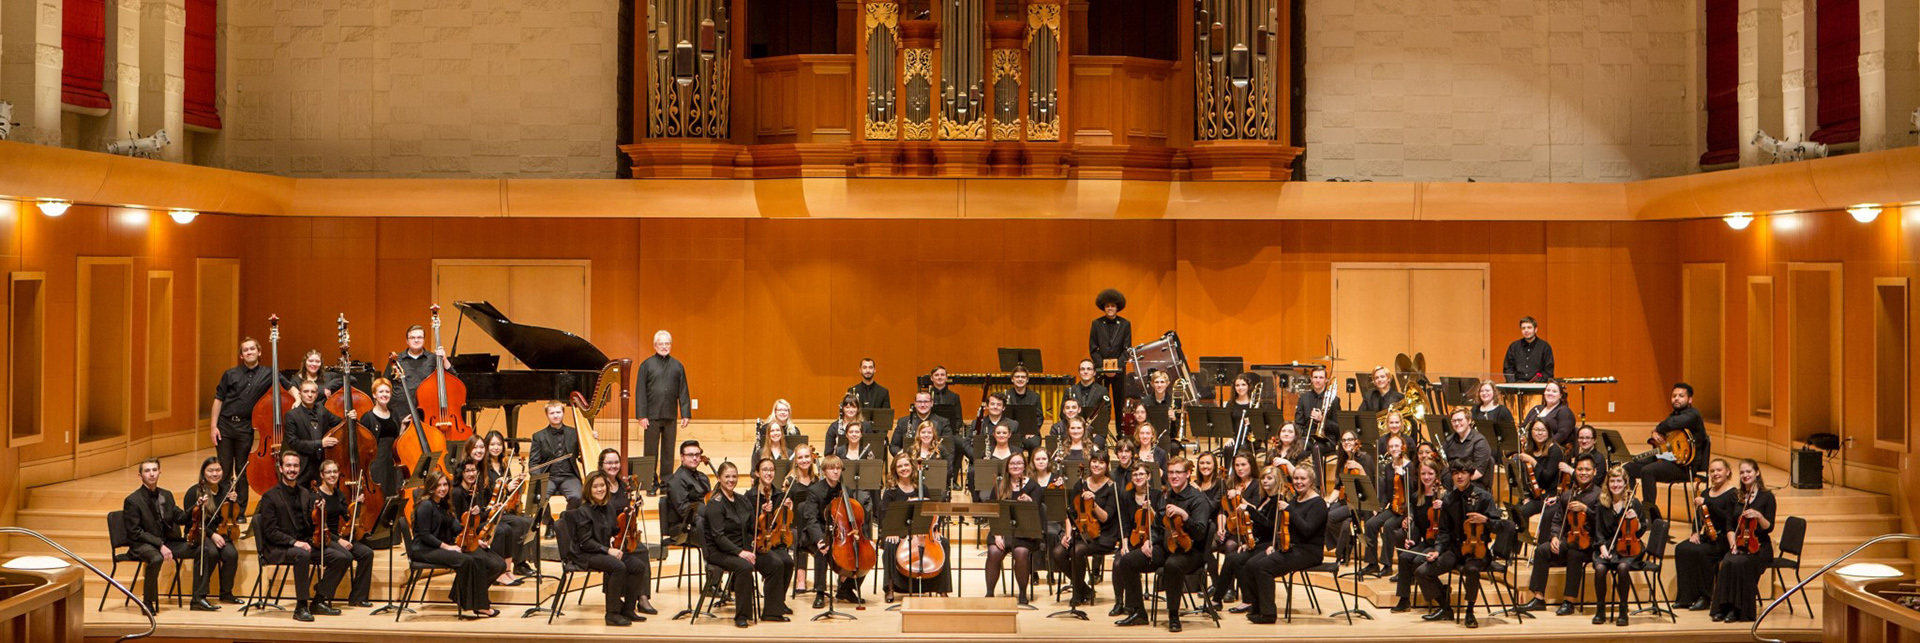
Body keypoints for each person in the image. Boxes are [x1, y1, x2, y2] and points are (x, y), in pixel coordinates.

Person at [1117, 457, 1210, 632]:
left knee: (1172, 564)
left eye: (1178, 472)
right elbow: (1158, 526)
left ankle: (1173, 615)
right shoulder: (1165, 496)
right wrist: (1150, 541)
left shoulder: (1198, 499)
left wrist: (1185, 516)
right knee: (1127, 561)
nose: (1174, 476)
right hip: (1166, 547)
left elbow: (1200, 533)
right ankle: (1139, 612)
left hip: (1190, 552)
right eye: (1171, 472)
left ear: (1188, 474)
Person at [258, 451, 349, 621]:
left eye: (295, 466)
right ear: (280, 468)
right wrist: (294, 542)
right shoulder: (270, 496)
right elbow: (270, 532)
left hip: (305, 543)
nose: (292, 469)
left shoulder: (305, 493)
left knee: (341, 557)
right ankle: (300, 607)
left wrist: (319, 510)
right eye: (288, 466)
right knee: (302, 555)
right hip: (280, 547)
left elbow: (311, 522)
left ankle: (319, 600)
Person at [1412, 459, 1501, 628]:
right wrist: (1438, 550)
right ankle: (1445, 608)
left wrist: (1486, 520)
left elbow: (1501, 526)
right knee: (1422, 572)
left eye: (1463, 473)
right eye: (1455, 473)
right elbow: (1444, 531)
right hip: (1455, 549)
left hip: (1478, 551)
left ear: (1471, 475)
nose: (1459, 477)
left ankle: (1469, 612)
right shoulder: (1449, 499)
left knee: (1472, 569)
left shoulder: (1484, 497)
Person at [702, 461, 790, 628]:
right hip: (721, 552)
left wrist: (763, 514)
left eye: (734, 476)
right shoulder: (715, 504)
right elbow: (718, 537)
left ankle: (772, 612)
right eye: (727, 476)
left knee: (776, 563)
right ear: (719, 478)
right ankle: (742, 615)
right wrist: (740, 552)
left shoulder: (741, 500)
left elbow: (751, 525)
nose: (731, 480)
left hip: (744, 547)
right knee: (744, 567)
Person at [1240, 462, 1327, 625]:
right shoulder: (1296, 500)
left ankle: (1268, 614)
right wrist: (1275, 545)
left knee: (1263, 567)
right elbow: (1285, 529)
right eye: (1296, 478)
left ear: (1311, 480)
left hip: (1309, 551)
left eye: (1303, 479)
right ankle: (1257, 608)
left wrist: (1289, 510)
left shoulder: (1318, 503)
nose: (1298, 482)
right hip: (1290, 547)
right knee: (1250, 564)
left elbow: (1307, 530)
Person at [409, 468, 502, 618]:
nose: (443, 488)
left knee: (492, 561)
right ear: (431, 487)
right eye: (438, 485)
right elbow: (424, 535)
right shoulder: (426, 505)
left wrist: (475, 533)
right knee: (468, 560)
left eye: (445, 485)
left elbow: (458, 528)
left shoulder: (444, 505)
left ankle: (465, 598)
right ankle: (479, 605)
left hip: (439, 547)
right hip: (424, 549)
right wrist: (449, 548)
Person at [1518, 453, 1600, 615]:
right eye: (1580, 469)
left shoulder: (1600, 495)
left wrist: (1586, 510)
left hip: (1591, 544)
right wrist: (1555, 536)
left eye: (1587, 469)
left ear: (1594, 472)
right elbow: (1557, 520)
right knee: (1542, 550)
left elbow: (1604, 523)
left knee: (1574, 554)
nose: (1584, 473)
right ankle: (1538, 598)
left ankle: (1569, 601)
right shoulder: (1568, 494)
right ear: (1575, 471)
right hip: (1569, 539)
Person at [568, 470, 652, 625]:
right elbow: (585, 542)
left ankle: (627, 609)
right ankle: (612, 614)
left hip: (603, 550)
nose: (600, 489)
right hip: (585, 554)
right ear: (589, 490)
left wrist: (627, 521)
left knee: (638, 566)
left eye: (602, 485)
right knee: (618, 567)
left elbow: (614, 531)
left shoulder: (609, 508)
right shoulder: (584, 511)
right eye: (595, 487)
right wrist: (608, 550)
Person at [1624, 383, 1710, 517]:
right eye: (1674, 396)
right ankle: (1629, 507)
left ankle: (1649, 515)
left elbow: (1671, 424)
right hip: (1668, 459)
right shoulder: (1674, 415)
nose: (1676, 398)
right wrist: (1656, 432)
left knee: (1648, 471)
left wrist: (1657, 429)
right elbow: (1667, 426)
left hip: (1685, 467)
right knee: (1628, 468)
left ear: (1690, 399)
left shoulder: (1693, 415)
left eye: (1681, 396)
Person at [210, 337, 275, 508]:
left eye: (252, 349)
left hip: (245, 427)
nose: (249, 352)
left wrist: (298, 398)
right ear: (241, 355)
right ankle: (223, 507)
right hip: (225, 425)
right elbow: (218, 400)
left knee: (242, 469)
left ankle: (240, 509)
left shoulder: (268, 373)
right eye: (245, 350)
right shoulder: (230, 374)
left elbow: (287, 385)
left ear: (259, 352)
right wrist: (213, 427)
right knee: (224, 469)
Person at [122, 458, 193, 613]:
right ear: (140, 475)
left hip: (165, 542)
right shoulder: (132, 500)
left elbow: (180, 518)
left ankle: (199, 598)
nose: (151, 474)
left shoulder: (166, 495)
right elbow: (135, 532)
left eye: (154, 470)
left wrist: (197, 507)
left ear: (160, 472)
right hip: (142, 544)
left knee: (203, 549)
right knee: (155, 558)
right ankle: (147, 602)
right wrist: (160, 545)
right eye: (147, 471)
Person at [879, 453, 952, 601]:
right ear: (895, 469)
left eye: (906, 465)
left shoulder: (922, 488)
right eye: (899, 466)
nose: (903, 468)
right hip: (898, 532)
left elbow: (931, 512)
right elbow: (883, 516)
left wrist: (935, 530)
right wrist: (890, 532)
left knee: (943, 542)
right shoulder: (890, 491)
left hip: (921, 532)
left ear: (912, 467)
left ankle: (941, 588)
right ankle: (890, 587)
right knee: (890, 544)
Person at [1710, 459, 1776, 623]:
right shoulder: (1736, 496)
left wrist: (1759, 516)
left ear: (1757, 473)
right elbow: (1730, 525)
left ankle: (1737, 609)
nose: (1745, 475)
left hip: (1759, 546)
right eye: (1742, 472)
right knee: (1728, 561)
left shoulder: (1767, 497)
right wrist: (1732, 544)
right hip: (1739, 543)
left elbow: (1769, 528)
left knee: (1741, 563)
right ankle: (1723, 607)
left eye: (1749, 472)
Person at [1674, 458, 1737, 611]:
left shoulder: (1733, 494)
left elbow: (1728, 519)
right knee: (1682, 548)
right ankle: (1686, 597)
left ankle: (1705, 597)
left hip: (1723, 539)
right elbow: (1699, 517)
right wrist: (1695, 532)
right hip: (1708, 535)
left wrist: (1708, 503)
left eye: (1719, 470)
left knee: (1702, 552)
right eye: (1712, 471)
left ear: (1727, 471)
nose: (1715, 474)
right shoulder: (1706, 492)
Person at [312, 460, 376, 607]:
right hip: (324, 537)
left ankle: (358, 597)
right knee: (346, 556)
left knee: (367, 553)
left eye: (335, 472)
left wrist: (356, 506)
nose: (332, 475)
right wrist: (339, 540)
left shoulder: (338, 494)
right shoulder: (316, 496)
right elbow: (319, 525)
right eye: (328, 472)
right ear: (322, 475)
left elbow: (348, 517)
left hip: (338, 536)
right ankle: (322, 591)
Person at [1590, 464, 1648, 626]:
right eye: (1612, 481)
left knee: (1623, 567)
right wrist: (1602, 547)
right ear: (1607, 484)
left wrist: (1635, 518)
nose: (1615, 485)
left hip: (1630, 547)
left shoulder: (1633, 503)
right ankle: (1600, 609)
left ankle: (1623, 610)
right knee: (1600, 568)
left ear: (1625, 483)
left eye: (1619, 481)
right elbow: (1599, 531)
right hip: (1607, 546)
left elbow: (1641, 530)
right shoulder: (1602, 503)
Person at [182, 457, 242, 610]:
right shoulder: (194, 492)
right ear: (203, 472)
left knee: (231, 554)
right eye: (210, 470)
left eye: (218, 470)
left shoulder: (225, 490)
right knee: (211, 552)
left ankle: (226, 593)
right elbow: (192, 521)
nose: (215, 473)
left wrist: (234, 502)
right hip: (198, 532)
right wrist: (212, 535)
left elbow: (228, 515)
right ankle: (198, 597)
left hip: (218, 531)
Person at [741, 459, 797, 621]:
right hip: (757, 543)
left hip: (774, 540)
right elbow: (747, 525)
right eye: (765, 469)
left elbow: (781, 523)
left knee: (788, 562)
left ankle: (778, 601)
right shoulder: (749, 496)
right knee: (777, 563)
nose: (769, 473)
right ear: (757, 473)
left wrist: (787, 510)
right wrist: (760, 512)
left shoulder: (779, 494)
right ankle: (773, 609)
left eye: (771, 470)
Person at [1211, 460, 1271, 610]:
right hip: (1234, 528)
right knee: (1215, 546)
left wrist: (1241, 498)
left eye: (1244, 464)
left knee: (1232, 549)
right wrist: (1221, 527)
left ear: (1251, 466)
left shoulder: (1258, 486)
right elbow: (1223, 509)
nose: (1239, 468)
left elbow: (1257, 513)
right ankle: (1218, 596)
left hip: (1251, 531)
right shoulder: (1230, 483)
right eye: (1236, 465)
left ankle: (1228, 594)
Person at [811, 455, 868, 605]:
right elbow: (811, 519)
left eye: (838, 468)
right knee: (822, 551)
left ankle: (845, 589)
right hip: (820, 531)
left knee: (863, 552)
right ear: (824, 471)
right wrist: (819, 539)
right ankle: (820, 592)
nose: (836, 472)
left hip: (841, 533)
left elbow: (853, 515)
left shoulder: (845, 490)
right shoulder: (815, 491)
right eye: (831, 468)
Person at [637, 330, 692, 483]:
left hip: (670, 415)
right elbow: (640, 391)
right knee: (650, 451)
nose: (664, 346)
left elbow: (683, 390)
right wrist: (642, 415)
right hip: (651, 416)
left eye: (667, 343)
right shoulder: (646, 365)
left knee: (668, 450)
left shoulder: (678, 366)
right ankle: (649, 482)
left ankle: (667, 482)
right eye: (661, 343)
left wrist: (685, 414)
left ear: (671, 345)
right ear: (655, 345)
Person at [984, 451, 1039, 605]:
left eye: (1019, 463)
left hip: (1025, 533)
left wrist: (1029, 502)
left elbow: (1037, 512)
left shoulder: (1033, 486)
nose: (1016, 466)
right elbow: (992, 512)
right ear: (1007, 467)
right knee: (994, 551)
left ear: (1025, 466)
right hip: (1001, 531)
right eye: (1012, 463)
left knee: (1021, 553)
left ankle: (1022, 594)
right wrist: (997, 533)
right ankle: (989, 593)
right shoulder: (999, 485)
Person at [1062, 454, 1118, 607]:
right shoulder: (1080, 485)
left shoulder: (1112, 487)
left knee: (1078, 550)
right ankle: (1084, 588)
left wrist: (1093, 504)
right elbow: (1071, 514)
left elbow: (1106, 517)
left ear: (1107, 465)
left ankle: (1077, 593)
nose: (1097, 465)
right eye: (1094, 462)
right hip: (1081, 531)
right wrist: (1067, 534)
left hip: (1104, 535)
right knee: (1057, 552)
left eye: (1101, 462)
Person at [1390, 458, 1443, 613]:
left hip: (1440, 544)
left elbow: (1451, 524)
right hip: (1427, 542)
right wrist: (1412, 538)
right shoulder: (1416, 497)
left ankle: (1441, 595)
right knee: (1404, 556)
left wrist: (1444, 506)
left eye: (1430, 473)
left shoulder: (1444, 496)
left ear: (1437, 475)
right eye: (1423, 474)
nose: (1427, 477)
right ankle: (1404, 599)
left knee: (1417, 561)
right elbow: (1420, 526)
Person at [282, 379, 347, 489]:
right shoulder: (291, 415)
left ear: (317, 394)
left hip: (321, 464)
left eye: (313, 392)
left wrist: (350, 418)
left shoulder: (322, 410)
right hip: (302, 466)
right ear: (300, 394)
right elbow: (294, 443)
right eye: (306, 392)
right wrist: (321, 443)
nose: (309, 395)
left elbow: (341, 423)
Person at [1361, 434, 1409, 578]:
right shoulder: (1389, 467)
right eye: (1391, 446)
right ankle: (1372, 563)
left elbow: (1412, 490)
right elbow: (1387, 492)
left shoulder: (1409, 466)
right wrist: (1379, 508)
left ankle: (1387, 565)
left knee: (1388, 526)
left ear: (1403, 447)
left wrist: (1404, 476)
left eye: (1397, 446)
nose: (1394, 449)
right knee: (1370, 524)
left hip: (1405, 510)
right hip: (1393, 507)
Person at [389, 324, 454, 424]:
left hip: (427, 413)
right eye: (412, 337)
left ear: (424, 340)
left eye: (419, 337)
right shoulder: (397, 360)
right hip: (401, 412)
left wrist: (444, 359)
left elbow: (454, 379)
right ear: (407, 341)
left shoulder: (433, 358)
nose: (416, 340)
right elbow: (386, 383)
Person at [1509, 418, 1564, 533]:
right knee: (1512, 514)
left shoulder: (1554, 450)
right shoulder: (1530, 449)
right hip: (1532, 494)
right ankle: (1509, 550)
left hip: (1547, 496)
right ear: (1531, 432)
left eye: (1543, 430)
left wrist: (1533, 462)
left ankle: (1516, 545)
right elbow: (1525, 477)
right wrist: (1526, 497)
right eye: (1536, 430)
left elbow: (1547, 477)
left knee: (1520, 513)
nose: (1539, 433)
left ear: (1548, 432)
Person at [529, 401, 584, 514]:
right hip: (548, 476)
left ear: (563, 413)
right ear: (547, 415)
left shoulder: (575, 433)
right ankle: (549, 524)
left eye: (558, 412)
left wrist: (592, 438)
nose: (555, 415)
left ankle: (567, 521)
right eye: (552, 413)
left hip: (569, 476)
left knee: (577, 496)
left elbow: (581, 456)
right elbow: (533, 463)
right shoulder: (538, 436)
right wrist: (539, 480)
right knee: (539, 498)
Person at [358, 378, 407, 495]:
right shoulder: (367, 417)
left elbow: (396, 440)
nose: (384, 395)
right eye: (381, 392)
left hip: (392, 463)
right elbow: (362, 446)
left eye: (387, 392)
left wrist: (403, 427)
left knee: (393, 494)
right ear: (374, 395)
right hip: (376, 464)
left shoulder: (394, 414)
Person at [1089, 289, 1133, 403]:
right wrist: (1104, 367)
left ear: (1117, 308)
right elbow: (1093, 348)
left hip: (1119, 369)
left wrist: (1115, 367)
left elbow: (1127, 349)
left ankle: (1119, 422)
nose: (1110, 308)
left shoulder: (1125, 324)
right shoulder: (1096, 324)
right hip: (1101, 369)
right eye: (1107, 306)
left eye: (1112, 306)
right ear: (1104, 308)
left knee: (1119, 402)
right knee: (1101, 402)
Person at [1290, 366, 1342, 446]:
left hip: (1327, 439)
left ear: (1326, 380)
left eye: (1321, 378)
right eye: (1315, 377)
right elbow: (1298, 423)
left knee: (1316, 447)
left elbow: (1338, 427)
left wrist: (1322, 419)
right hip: (1307, 436)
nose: (1318, 380)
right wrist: (1299, 436)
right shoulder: (1303, 398)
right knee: (1297, 447)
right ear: (1311, 379)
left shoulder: (1334, 400)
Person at [1440, 408, 1493, 485]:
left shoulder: (1480, 442)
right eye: (1454, 421)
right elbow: (1441, 463)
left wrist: (1458, 483)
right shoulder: (1449, 440)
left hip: (1473, 483)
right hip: (1452, 482)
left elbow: (1479, 472)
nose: (1457, 423)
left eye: (1460, 420)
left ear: (1469, 421)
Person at [1063, 358, 1113, 437]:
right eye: (1082, 369)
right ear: (1079, 372)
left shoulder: (1102, 391)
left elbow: (1106, 415)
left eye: (1089, 369)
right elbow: (1062, 413)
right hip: (1074, 431)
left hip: (1096, 432)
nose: (1085, 372)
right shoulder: (1070, 390)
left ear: (1094, 372)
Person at [1522, 380, 1576, 447]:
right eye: (1548, 390)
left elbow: (1563, 433)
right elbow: (1524, 427)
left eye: (1554, 391)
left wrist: (1546, 447)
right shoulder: (1536, 409)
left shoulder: (1564, 411)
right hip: (1532, 448)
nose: (1550, 393)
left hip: (1552, 450)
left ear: (1560, 395)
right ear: (1544, 393)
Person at [1502, 316, 1554, 383]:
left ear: (1535, 329)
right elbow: (1508, 368)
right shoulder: (1514, 347)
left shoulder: (1545, 347)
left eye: (1529, 327)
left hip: (1538, 386)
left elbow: (1548, 371)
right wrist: (1513, 383)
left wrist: (1537, 382)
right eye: (1523, 328)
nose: (1526, 330)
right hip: (1517, 386)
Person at [753, 399, 799, 463]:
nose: (783, 412)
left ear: (789, 413)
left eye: (786, 410)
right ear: (775, 412)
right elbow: (757, 451)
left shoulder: (794, 431)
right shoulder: (765, 429)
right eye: (780, 410)